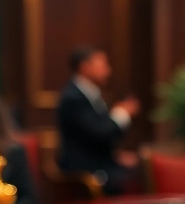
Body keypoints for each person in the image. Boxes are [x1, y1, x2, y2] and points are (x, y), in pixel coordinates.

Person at [57, 46, 139, 194]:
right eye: (102, 65)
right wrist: (122, 113)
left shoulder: (90, 93)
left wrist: (116, 156)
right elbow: (100, 133)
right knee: (133, 179)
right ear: (84, 66)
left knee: (140, 169)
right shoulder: (73, 98)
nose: (108, 71)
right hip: (85, 173)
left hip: (101, 165)